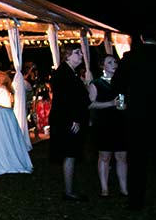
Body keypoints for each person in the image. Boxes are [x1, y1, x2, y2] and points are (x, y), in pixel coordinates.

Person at [111, 29, 156, 209]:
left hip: (136, 117)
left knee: (136, 161)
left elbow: (116, 84)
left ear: (141, 38)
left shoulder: (129, 58)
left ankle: (136, 201)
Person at [49, 46, 91, 201]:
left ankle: (69, 189)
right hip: (67, 120)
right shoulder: (63, 74)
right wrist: (74, 119)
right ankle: (68, 191)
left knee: (71, 154)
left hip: (68, 118)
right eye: (77, 53)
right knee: (69, 153)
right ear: (67, 56)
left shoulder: (69, 73)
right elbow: (65, 100)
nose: (80, 55)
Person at [88, 54, 128, 197]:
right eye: (110, 62)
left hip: (121, 123)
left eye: (115, 62)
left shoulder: (122, 82)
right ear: (102, 66)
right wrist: (110, 104)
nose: (114, 64)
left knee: (122, 156)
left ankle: (124, 188)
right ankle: (104, 188)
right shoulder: (96, 83)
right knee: (104, 156)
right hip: (104, 124)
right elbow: (91, 104)